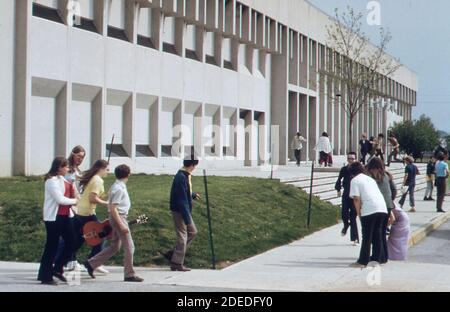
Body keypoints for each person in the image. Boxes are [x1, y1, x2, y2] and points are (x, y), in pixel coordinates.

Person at [84, 165, 144, 282]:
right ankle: (129, 274)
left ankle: (91, 264)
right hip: (119, 218)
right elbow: (113, 208)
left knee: (115, 246)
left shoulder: (116, 186)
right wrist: (121, 224)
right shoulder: (119, 189)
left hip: (118, 217)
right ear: (128, 174)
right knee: (130, 247)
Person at [37, 157, 79, 285]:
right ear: (59, 167)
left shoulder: (62, 179)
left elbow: (71, 188)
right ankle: (45, 276)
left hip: (66, 216)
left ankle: (57, 269)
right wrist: (76, 201)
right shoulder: (51, 181)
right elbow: (60, 199)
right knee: (52, 246)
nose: (67, 169)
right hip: (54, 218)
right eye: (65, 167)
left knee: (72, 242)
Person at [164, 157, 201, 272]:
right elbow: (181, 199)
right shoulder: (181, 177)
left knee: (193, 232)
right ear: (191, 165)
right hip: (180, 210)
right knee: (182, 236)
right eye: (195, 165)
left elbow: (185, 192)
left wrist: (192, 195)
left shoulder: (184, 175)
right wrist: (186, 217)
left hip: (184, 209)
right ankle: (176, 263)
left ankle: (173, 254)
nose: (195, 168)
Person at [349, 162, 388, 268]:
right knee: (377, 234)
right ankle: (377, 258)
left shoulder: (355, 180)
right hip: (382, 208)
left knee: (367, 236)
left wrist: (359, 213)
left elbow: (356, 199)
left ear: (352, 173)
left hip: (369, 209)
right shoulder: (369, 179)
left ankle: (363, 260)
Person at [74, 159, 110, 274]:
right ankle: (94, 262)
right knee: (101, 236)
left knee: (79, 238)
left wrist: (107, 195)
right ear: (101, 169)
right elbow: (92, 198)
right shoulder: (98, 180)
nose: (108, 172)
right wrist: (106, 204)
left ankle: (65, 259)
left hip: (82, 211)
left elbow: (95, 195)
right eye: (107, 169)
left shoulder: (94, 178)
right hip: (88, 212)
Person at [55, 146, 86, 272]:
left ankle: (70, 260)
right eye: (78, 156)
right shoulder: (68, 170)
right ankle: (67, 261)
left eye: (82, 157)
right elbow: (66, 187)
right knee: (71, 235)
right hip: (69, 205)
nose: (80, 159)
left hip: (76, 204)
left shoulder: (77, 170)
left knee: (73, 234)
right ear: (73, 154)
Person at [367, 157, 397, 264]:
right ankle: (384, 256)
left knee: (376, 232)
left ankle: (377, 256)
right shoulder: (387, 175)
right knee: (383, 231)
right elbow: (394, 190)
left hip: (376, 207)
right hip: (387, 206)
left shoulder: (370, 177)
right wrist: (390, 201)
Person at [335, 152, 359, 245]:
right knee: (344, 213)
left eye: (353, 159)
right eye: (349, 159)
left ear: (355, 159)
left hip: (355, 196)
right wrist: (338, 189)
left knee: (353, 217)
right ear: (347, 159)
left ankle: (355, 238)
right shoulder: (344, 169)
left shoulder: (358, 170)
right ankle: (346, 225)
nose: (351, 160)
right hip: (346, 194)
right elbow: (339, 179)